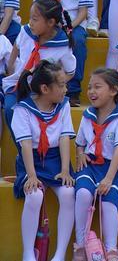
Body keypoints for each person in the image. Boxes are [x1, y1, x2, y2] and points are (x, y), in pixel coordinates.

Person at [11, 61, 75, 261]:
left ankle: (59, 254)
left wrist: (65, 170)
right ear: (45, 89)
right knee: (34, 195)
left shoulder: (63, 105)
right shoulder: (22, 109)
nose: (66, 89)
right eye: (62, 85)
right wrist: (31, 176)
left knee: (68, 192)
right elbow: (25, 144)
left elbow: (64, 138)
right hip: (32, 162)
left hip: (56, 160)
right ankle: (28, 253)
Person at [73, 69, 118, 261]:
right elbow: (80, 142)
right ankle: (80, 246)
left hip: (112, 169)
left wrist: (108, 179)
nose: (91, 92)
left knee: (108, 203)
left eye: (97, 87)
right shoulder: (87, 115)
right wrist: (80, 154)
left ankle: (111, 250)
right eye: (89, 87)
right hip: (90, 165)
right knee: (83, 194)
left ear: (113, 90)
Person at [2, 0, 76, 129]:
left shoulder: (62, 44)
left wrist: (53, 85)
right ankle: (21, 143)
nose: (30, 22)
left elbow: (70, 71)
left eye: (35, 19)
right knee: (10, 109)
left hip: (43, 91)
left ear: (51, 22)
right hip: (19, 83)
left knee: (37, 117)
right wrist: (11, 69)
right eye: (30, 18)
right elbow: (16, 47)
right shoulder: (26, 32)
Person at [35, 0, 92, 104]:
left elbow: (83, 11)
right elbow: (38, 8)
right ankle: (41, 86)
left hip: (74, 23)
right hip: (49, 24)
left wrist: (69, 26)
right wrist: (51, 25)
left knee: (78, 41)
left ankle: (73, 90)